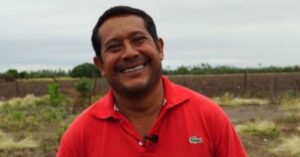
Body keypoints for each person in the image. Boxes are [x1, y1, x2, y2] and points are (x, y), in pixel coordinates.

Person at [57, 6, 248, 157]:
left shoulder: (209, 117)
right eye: (114, 47)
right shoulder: (80, 135)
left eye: (139, 40)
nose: (130, 53)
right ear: (100, 65)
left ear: (160, 48)